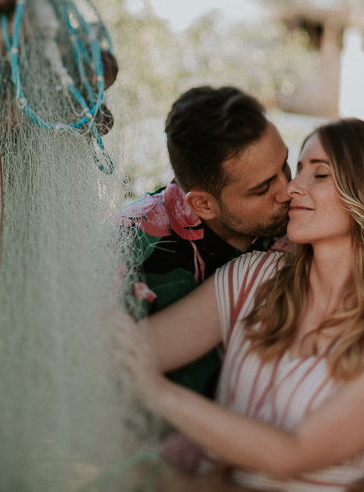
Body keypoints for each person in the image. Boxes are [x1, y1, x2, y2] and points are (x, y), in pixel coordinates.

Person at [113, 118, 364, 491]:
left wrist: (158, 393)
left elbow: (292, 455)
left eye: (319, 174)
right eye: (298, 169)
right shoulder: (255, 278)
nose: (292, 188)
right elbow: (130, 351)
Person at [115, 86, 292, 397]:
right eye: (263, 188)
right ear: (204, 204)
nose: (288, 190)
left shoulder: (302, 222)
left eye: (285, 166)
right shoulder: (124, 248)